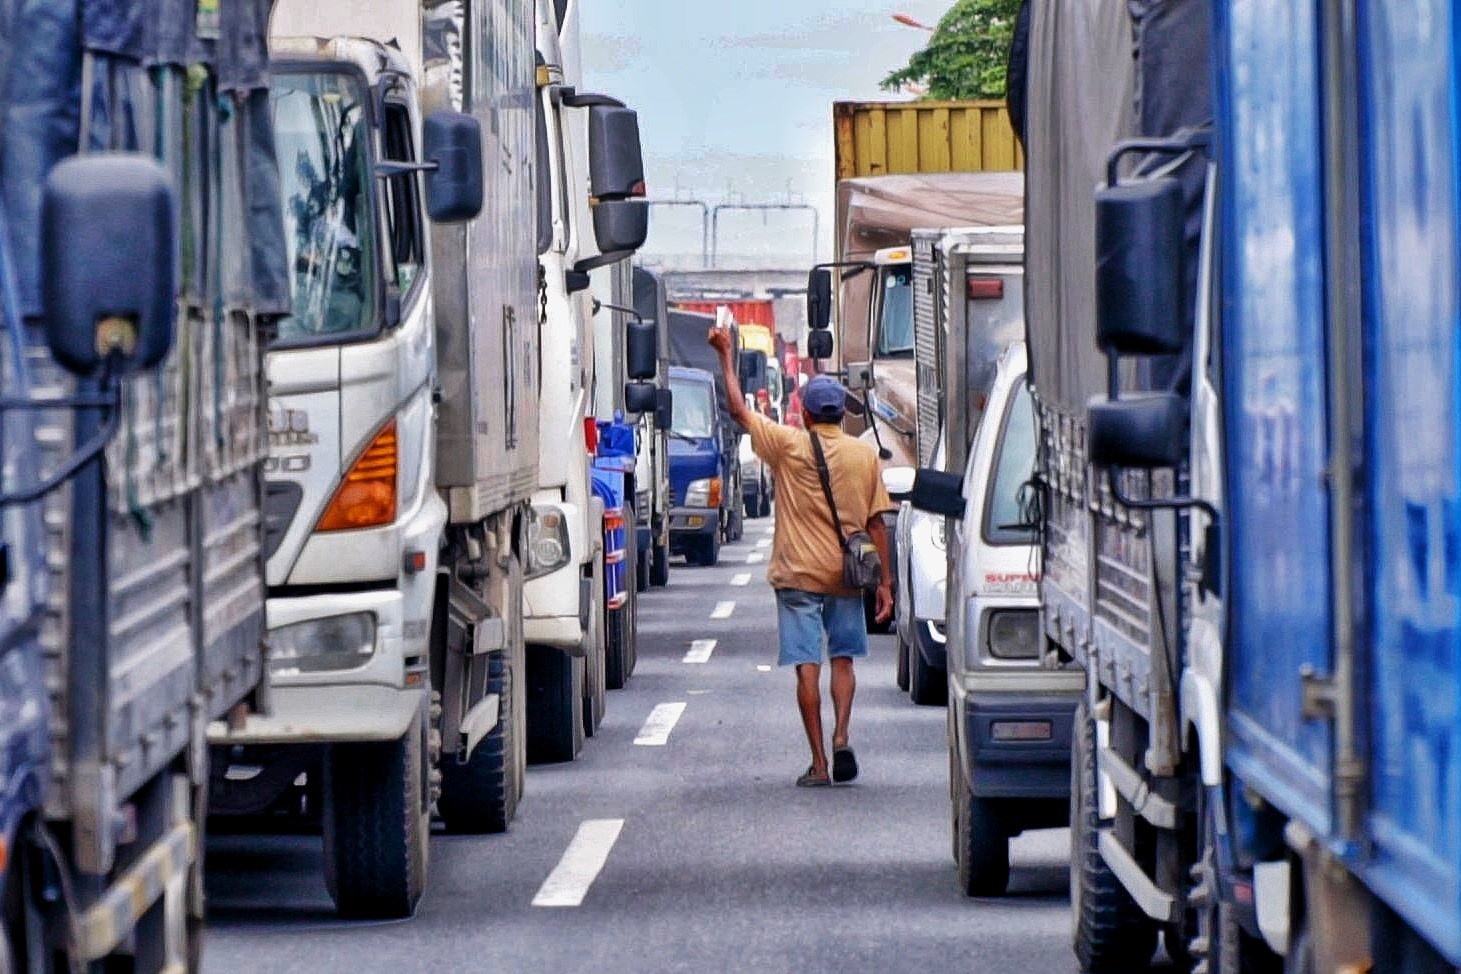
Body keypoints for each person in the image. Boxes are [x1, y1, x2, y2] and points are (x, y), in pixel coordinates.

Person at [708, 324, 895, 787]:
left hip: (797, 577)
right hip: (847, 576)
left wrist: (727, 355)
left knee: (806, 666)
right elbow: (876, 524)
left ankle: (819, 763)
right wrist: (886, 583)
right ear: (839, 415)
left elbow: (737, 409)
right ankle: (842, 734)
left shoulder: (789, 445)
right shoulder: (864, 455)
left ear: (807, 415)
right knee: (844, 661)